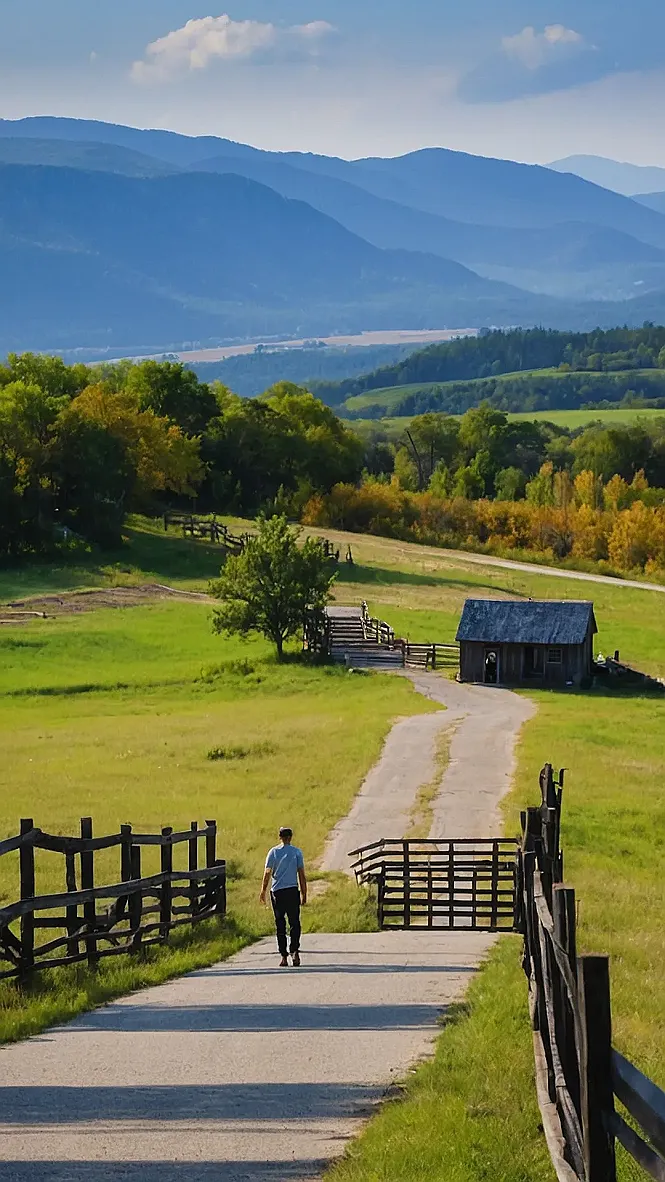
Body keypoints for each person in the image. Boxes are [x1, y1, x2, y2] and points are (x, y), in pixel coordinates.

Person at [259, 826, 307, 967]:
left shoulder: (273, 852)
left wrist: (263, 890)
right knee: (294, 923)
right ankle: (295, 951)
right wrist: (304, 893)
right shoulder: (296, 852)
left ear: (279, 837)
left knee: (280, 923)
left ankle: (284, 956)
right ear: (290, 837)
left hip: (277, 892)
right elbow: (301, 874)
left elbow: (267, 873)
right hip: (292, 890)